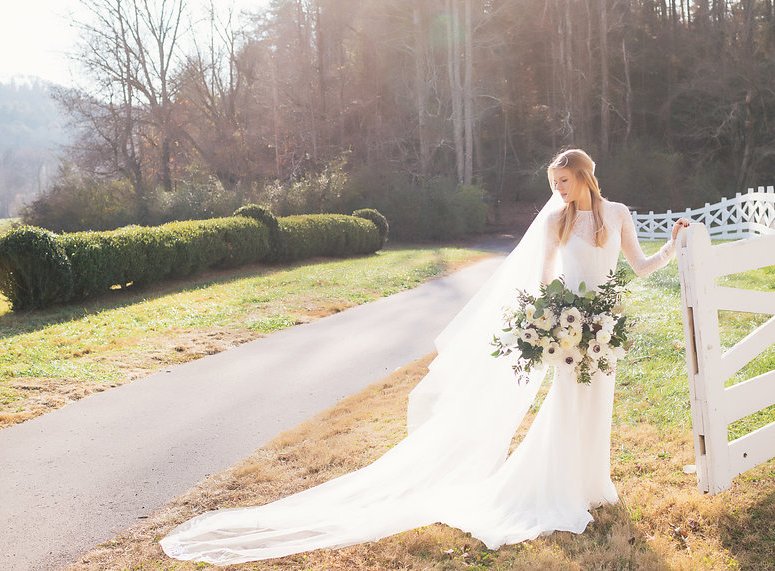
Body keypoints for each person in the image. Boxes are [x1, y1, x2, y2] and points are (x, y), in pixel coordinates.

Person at [160, 148, 689, 565]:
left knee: (599, 407)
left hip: (603, 330)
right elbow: (545, 280)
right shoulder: (556, 223)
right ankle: (558, 489)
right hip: (568, 333)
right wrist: (549, 321)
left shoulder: (616, 215)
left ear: (583, 176)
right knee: (566, 409)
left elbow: (639, 268)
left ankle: (594, 486)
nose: (557, 192)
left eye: (563, 182)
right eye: (552, 185)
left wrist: (672, 246)